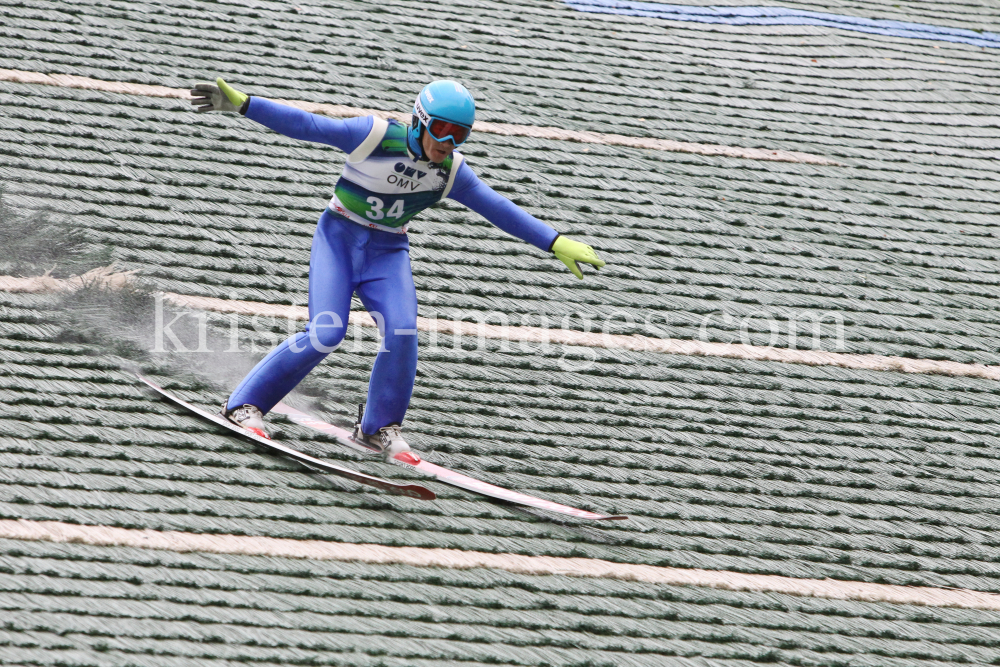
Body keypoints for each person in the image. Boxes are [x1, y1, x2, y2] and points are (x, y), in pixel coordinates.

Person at [190, 78, 605, 458]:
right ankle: (243, 405)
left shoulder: (451, 172)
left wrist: (555, 241)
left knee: (403, 329)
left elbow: (500, 210)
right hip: (339, 238)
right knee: (326, 332)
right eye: (442, 130)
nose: (448, 143)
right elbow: (309, 126)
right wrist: (245, 105)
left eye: (460, 135)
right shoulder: (373, 135)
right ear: (420, 121)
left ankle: (377, 427)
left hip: (387, 251)